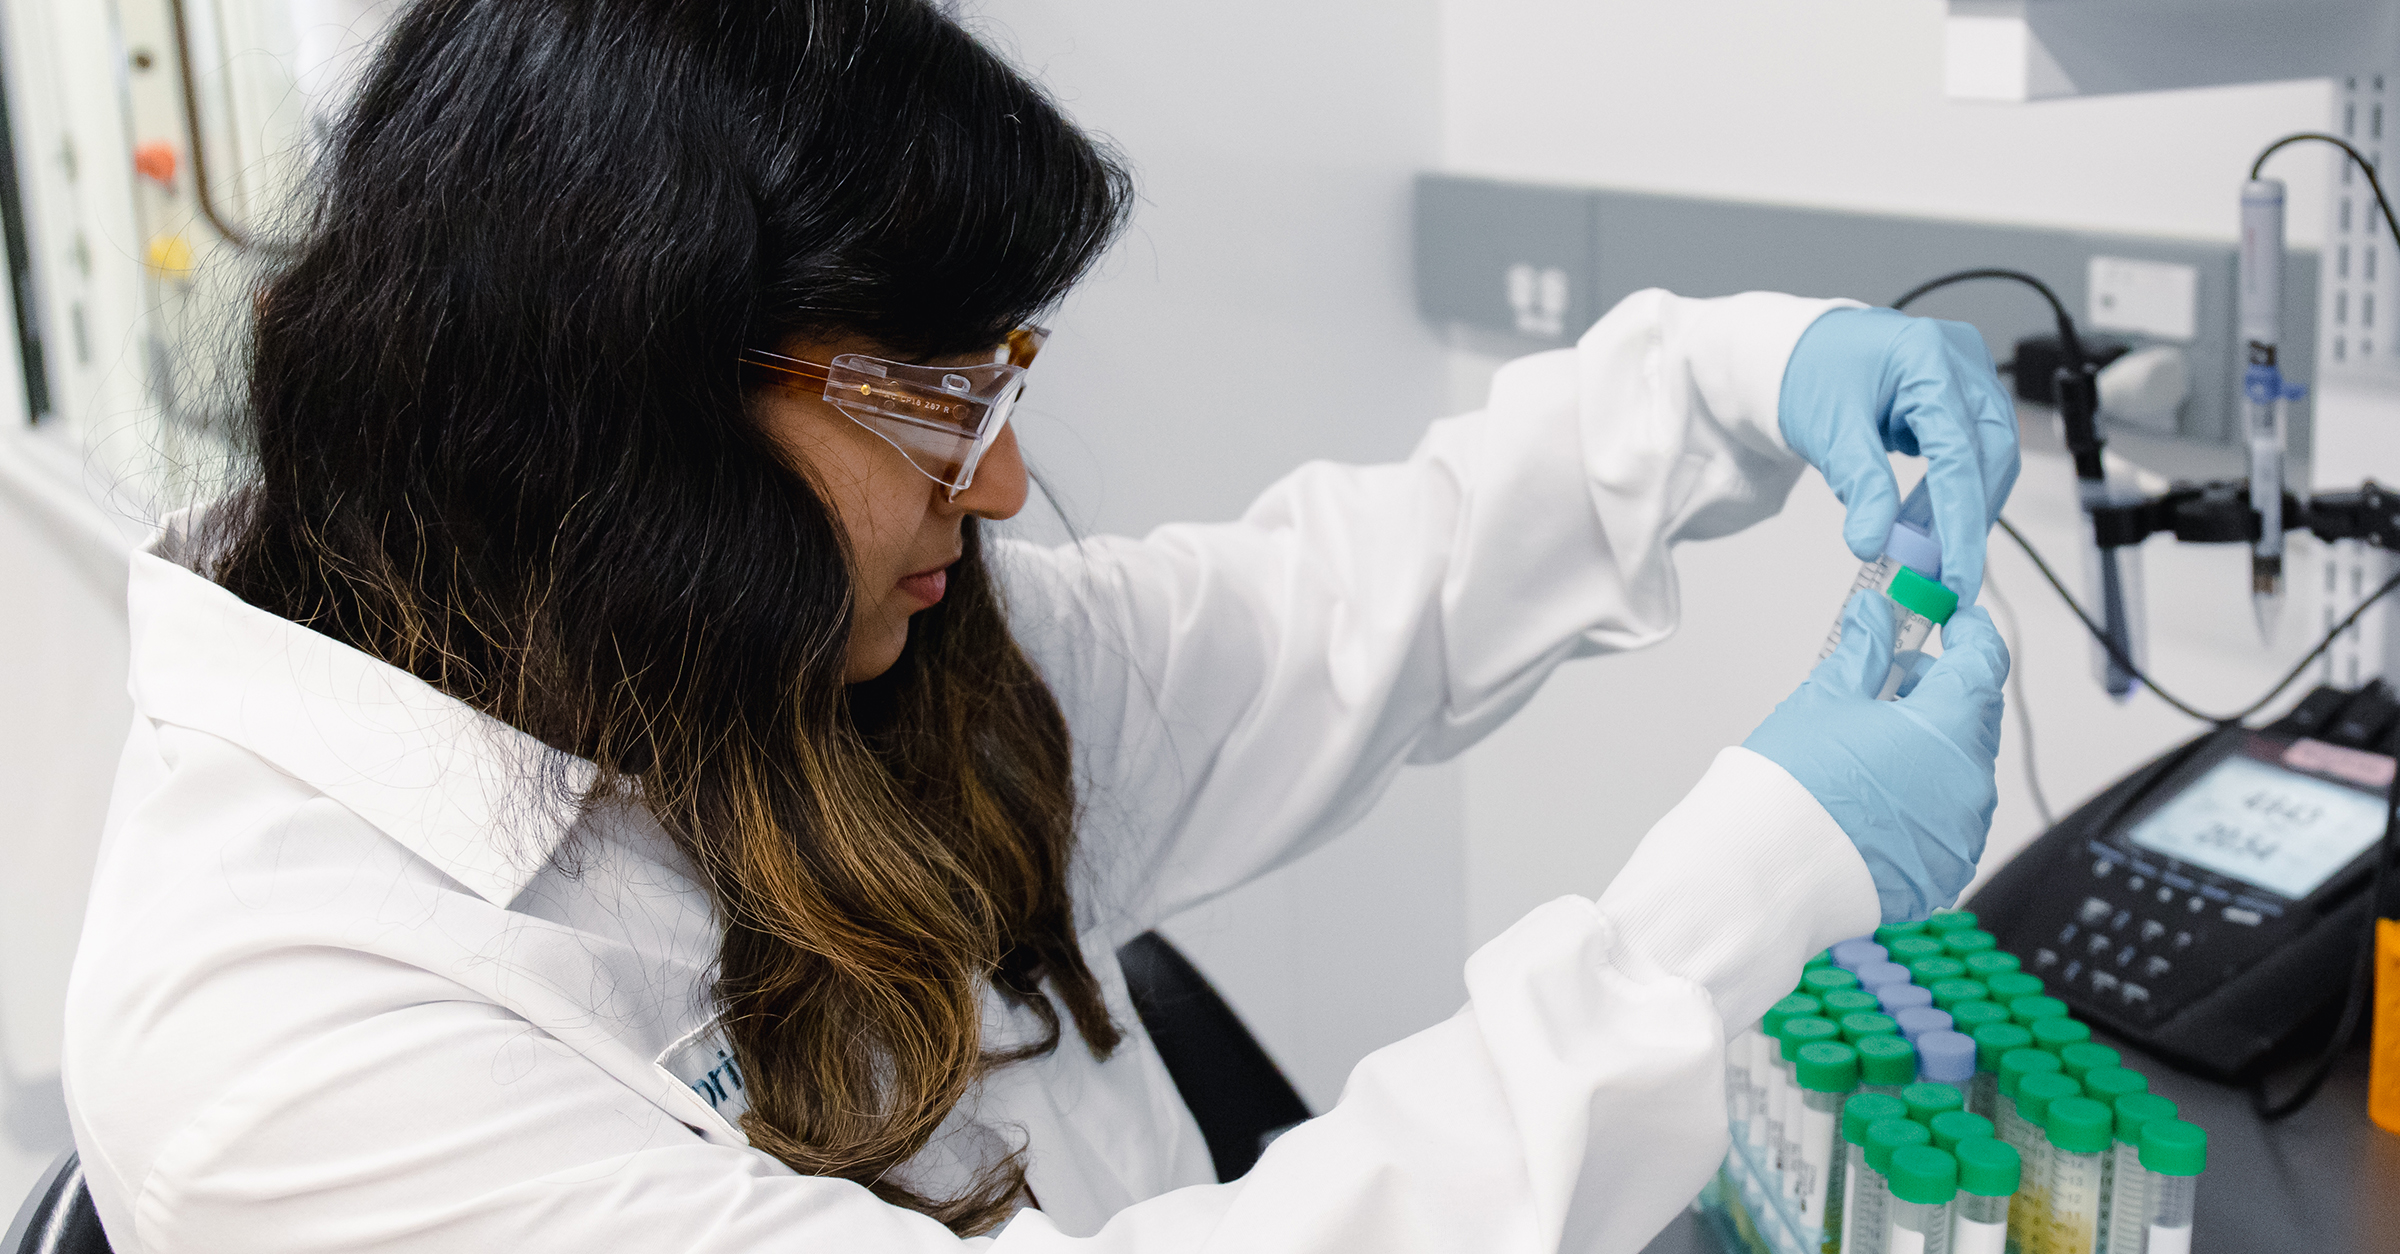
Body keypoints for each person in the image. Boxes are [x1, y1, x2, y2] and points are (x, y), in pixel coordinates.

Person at [59, 2, 2017, 1251]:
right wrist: (1729, 911)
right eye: (935, 408)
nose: (997, 489)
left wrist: (1726, 386)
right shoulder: (285, 1040)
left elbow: (1314, 624)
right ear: (621, 401)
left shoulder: (683, 642)